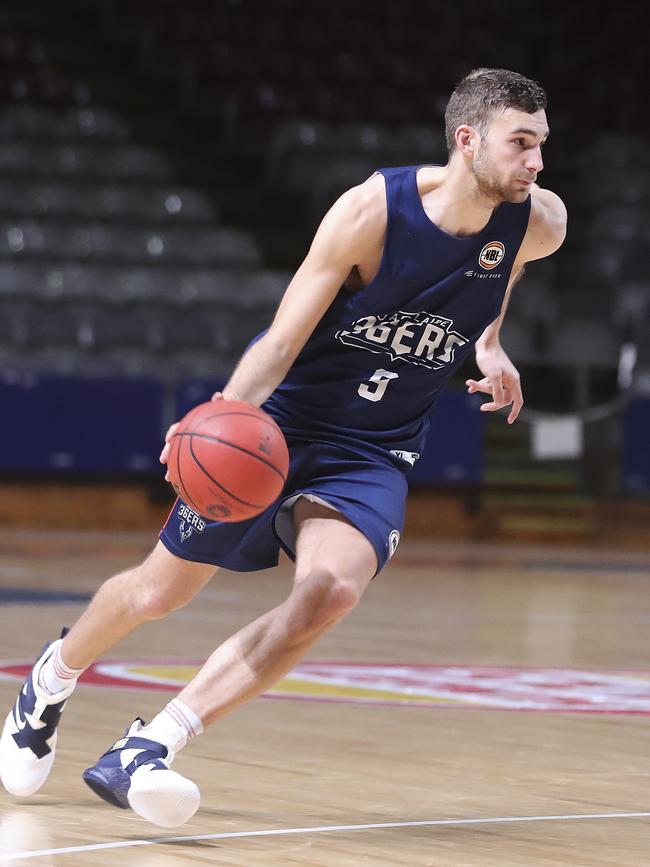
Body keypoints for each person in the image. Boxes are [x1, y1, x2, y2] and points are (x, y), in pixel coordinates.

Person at [0, 67, 566, 827]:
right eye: (520, 143)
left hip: (377, 446)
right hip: (283, 427)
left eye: (541, 145)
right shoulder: (372, 211)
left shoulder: (539, 219)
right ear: (467, 141)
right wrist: (220, 415)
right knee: (157, 593)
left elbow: (502, 271)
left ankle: (149, 744)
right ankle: (52, 676)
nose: (535, 162)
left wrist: (490, 343)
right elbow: (281, 341)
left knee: (330, 590)